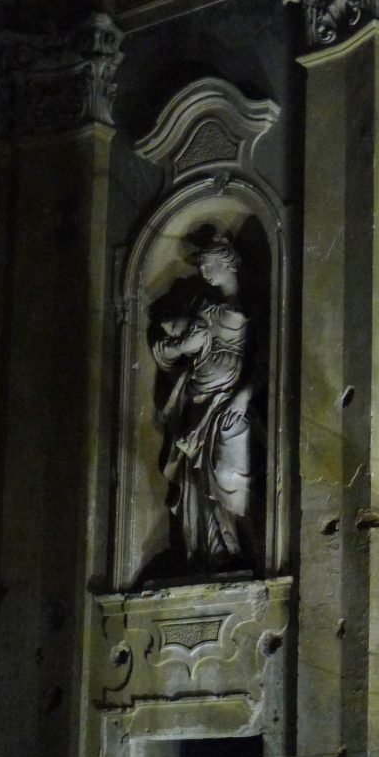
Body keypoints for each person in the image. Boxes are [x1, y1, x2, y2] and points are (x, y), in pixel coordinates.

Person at [148, 231, 253, 570]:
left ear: (227, 263)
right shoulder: (200, 308)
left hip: (229, 404)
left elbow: (266, 361)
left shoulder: (251, 307)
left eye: (209, 265)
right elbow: (168, 343)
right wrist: (180, 345)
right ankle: (202, 551)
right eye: (202, 267)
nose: (204, 272)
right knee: (194, 477)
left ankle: (230, 547)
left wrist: (244, 396)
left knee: (226, 473)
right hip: (196, 402)